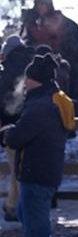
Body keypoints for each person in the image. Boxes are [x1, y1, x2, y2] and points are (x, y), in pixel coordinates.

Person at [1, 54, 74, 237]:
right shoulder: (49, 100)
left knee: (38, 232)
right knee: (24, 214)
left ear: (36, 81)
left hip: (36, 174)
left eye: (29, 77)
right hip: (44, 172)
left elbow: (19, 137)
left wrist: (9, 134)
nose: (25, 81)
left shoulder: (40, 106)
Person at [20, 0, 78, 115]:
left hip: (60, 65)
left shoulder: (62, 23)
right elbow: (27, 40)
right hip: (39, 65)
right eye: (38, 5)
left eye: (42, 5)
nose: (40, 8)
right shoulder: (33, 23)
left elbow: (69, 45)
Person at [0, 35, 34, 221]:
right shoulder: (31, 65)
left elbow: (3, 99)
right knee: (23, 168)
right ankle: (15, 204)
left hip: (11, 126)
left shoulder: (7, 72)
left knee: (16, 168)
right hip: (31, 123)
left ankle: (15, 206)